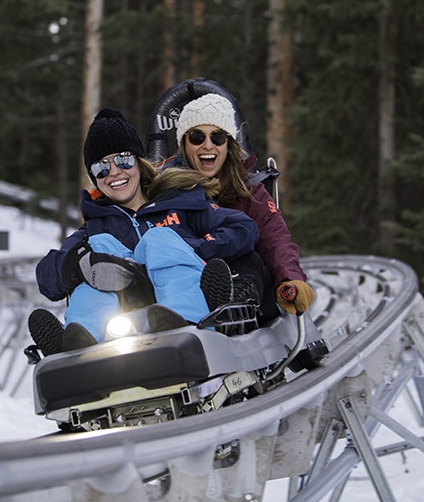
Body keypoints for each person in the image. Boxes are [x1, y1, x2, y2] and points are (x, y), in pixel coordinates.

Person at [31, 108, 260, 356]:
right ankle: (80, 340)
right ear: (94, 178)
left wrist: (191, 248)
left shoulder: (179, 202)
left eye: (123, 160)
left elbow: (242, 227)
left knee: (159, 239)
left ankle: (186, 319)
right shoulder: (96, 227)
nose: (114, 172)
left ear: (139, 162)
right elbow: (46, 275)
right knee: (97, 251)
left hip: (184, 299)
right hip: (126, 315)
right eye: (101, 167)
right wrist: (78, 265)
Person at [169, 92, 329, 366]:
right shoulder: (170, 193)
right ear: (184, 144)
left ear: (228, 144)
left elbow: (275, 239)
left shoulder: (250, 192)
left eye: (217, 137)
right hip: (190, 281)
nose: (208, 145)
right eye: (197, 136)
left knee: (247, 258)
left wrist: (289, 278)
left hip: (248, 283)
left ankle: (232, 305)